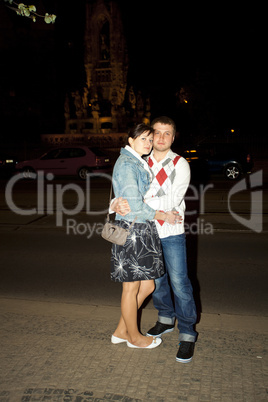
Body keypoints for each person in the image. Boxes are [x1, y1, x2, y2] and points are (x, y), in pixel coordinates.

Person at [112, 116, 197, 362]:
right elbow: (125, 191)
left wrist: (138, 204)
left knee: (180, 283)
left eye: (165, 133)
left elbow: (173, 199)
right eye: (153, 134)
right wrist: (116, 202)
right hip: (145, 233)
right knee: (155, 284)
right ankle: (165, 319)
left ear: (173, 137)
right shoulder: (141, 159)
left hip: (169, 232)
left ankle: (188, 332)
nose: (157, 139)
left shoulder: (180, 163)